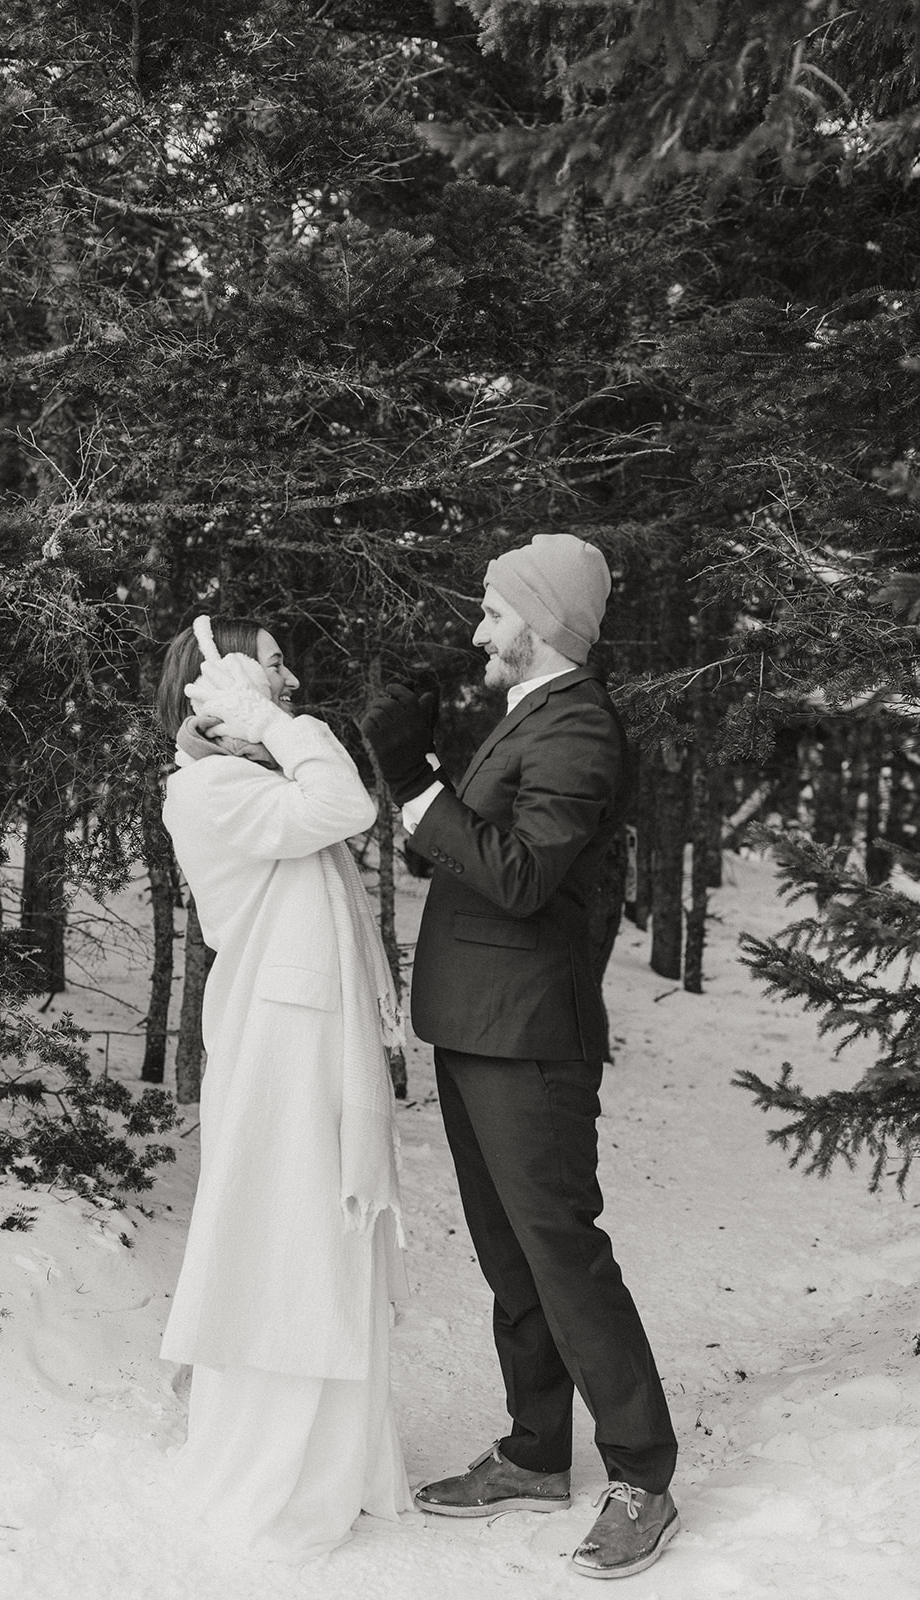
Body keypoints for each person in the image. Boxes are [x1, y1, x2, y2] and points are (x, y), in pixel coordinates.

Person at [360, 535, 679, 1581]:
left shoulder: (578, 724)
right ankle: (538, 1451)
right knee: (510, 1256)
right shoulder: (526, 717)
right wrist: (423, 784)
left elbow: (523, 876)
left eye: (492, 612)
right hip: (477, 1024)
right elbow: (447, 847)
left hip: (528, 1035)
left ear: (538, 622)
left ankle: (641, 1473)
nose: (476, 630)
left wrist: (414, 778)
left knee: (561, 1254)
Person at [156, 613, 411, 1564]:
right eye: (268, 667)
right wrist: (263, 724)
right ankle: (277, 1477)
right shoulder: (216, 786)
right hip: (280, 1044)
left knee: (322, 1241)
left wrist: (263, 726)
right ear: (224, 682)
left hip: (300, 1036)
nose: (290, 678)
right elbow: (348, 806)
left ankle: (337, 1466)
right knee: (290, 1245)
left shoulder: (243, 773)